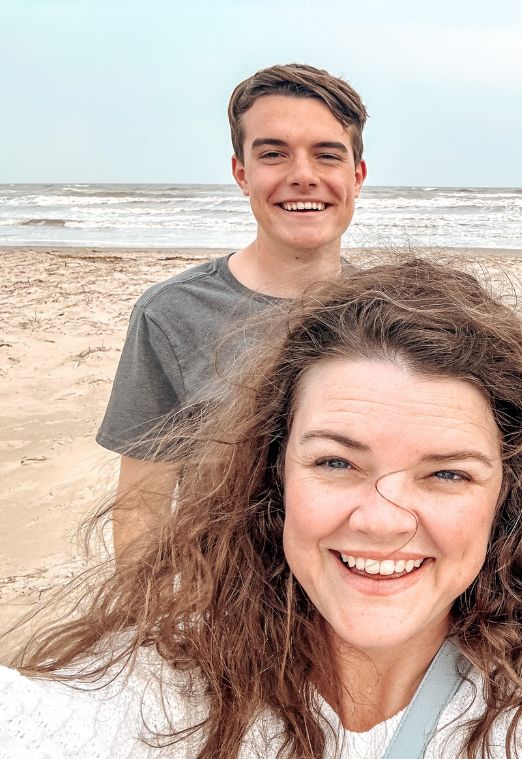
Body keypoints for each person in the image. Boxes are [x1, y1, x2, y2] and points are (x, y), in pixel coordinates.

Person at [1, 260, 522, 759]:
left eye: (447, 474)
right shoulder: (164, 680)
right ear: (271, 475)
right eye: (337, 463)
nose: (380, 518)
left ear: (510, 497)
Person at [96, 63, 368, 557]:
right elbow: (142, 506)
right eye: (273, 154)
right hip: (232, 606)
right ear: (242, 173)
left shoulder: (392, 309)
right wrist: (149, 623)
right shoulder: (172, 315)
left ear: (357, 176)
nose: (303, 176)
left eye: (327, 155)